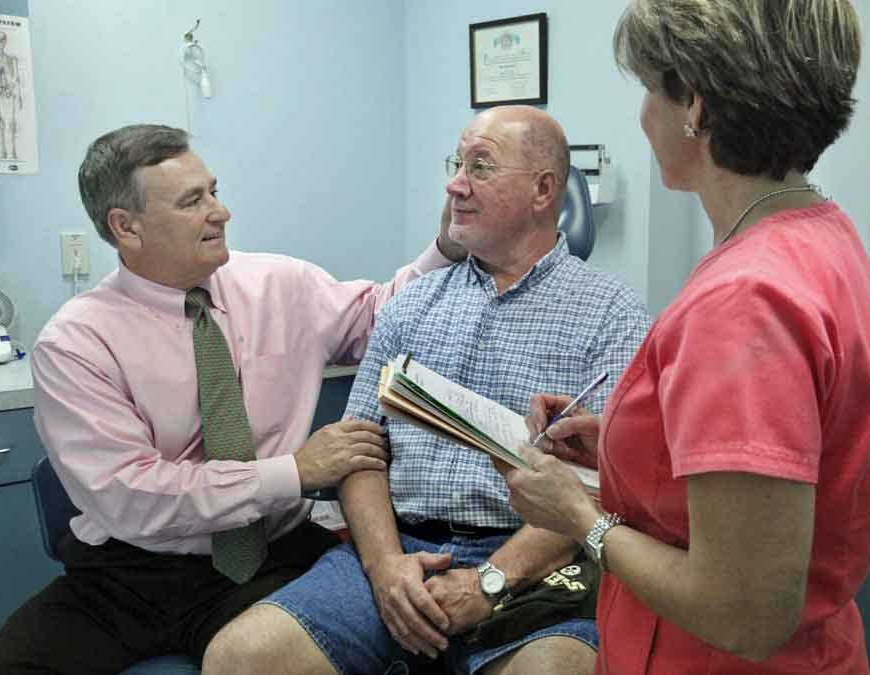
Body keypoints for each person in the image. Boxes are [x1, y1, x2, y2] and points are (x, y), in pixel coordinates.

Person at [0, 123, 465, 674]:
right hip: (132, 574)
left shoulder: (281, 284)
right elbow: (135, 495)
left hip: (273, 555)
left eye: (213, 190)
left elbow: (383, 316)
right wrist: (294, 471)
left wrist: (446, 248)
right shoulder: (77, 342)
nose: (220, 211)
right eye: (193, 201)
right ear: (125, 228)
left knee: (324, 653)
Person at [202, 105, 651, 675]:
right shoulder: (413, 304)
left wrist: (491, 580)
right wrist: (387, 568)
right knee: (239, 657)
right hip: (402, 546)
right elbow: (360, 453)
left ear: (543, 191)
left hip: (537, 560)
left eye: (481, 167)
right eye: (457, 162)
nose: (455, 183)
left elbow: (605, 489)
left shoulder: (612, 314)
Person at [497, 2, 870, 674]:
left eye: (648, 87)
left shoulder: (745, 299)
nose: (643, 115)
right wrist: (621, 439)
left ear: (694, 104)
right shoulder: (822, 235)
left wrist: (579, 517)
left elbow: (746, 609)